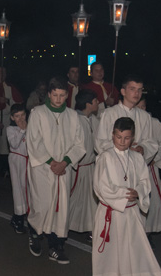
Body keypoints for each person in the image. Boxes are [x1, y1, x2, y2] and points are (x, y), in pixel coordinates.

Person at [92, 117, 161, 276]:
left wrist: (138, 191)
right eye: (118, 137)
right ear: (112, 135)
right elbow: (101, 187)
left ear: (133, 138)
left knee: (137, 247)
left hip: (131, 211)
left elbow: (144, 181)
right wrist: (125, 193)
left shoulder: (137, 158)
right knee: (111, 248)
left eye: (126, 138)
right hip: (112, 209)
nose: (122, 141)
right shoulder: (105, 157)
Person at [26, 79, 86, 263]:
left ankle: (56, 246)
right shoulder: (38, 113)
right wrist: (53, 163)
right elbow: (34, 141)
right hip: (43, 168)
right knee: (42, 205)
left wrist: (65, 162)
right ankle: (34, 235)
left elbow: (79, 144)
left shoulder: (73, 116)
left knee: (61, 208)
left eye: (62, 95)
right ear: (49, 94)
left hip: (63, 169)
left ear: (67, 95)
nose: (58, 99)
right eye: (55, 95)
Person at [94, 75, 157, 165]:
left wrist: (143, 148)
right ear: (123, 91)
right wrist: (124, 148)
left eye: (139, 90)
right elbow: (100, 142)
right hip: (114, 164)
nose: (137, 93)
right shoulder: (109, 113)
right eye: (132, 89)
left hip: (135, 164)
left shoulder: (145, 116)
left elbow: (150, 142)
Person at [136, 96, 161, 237]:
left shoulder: (154, 123)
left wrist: (154, 158)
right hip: (130, 172)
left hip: (149, 170)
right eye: (138, 107)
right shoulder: (127, 122)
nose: (141, 109)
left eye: (143, 106)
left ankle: (147, 233)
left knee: (151, 202)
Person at [67, 90, 99, 240]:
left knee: (90, 201)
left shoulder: (93, 119)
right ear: (88, 103)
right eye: (95, 101)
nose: (98, 103)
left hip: (91, 166)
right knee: (75, 199)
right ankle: (64, 225)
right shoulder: (76, 121)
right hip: (78, 167)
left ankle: (90, 228)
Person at [0, 66, 23, 176]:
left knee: (4, 145)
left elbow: (18, 104)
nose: (3, 74)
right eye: (0, 72)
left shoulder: (9, 87)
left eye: (4, 72)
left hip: (6, 118)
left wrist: (7, 100)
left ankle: (4, 169)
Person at [6, 103, 29, 234]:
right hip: (17, 160)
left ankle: (19, 217)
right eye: (17, 116)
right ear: (12, 117)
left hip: (27, 160)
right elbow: (14, 144)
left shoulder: (29, 126)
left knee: (27, 188)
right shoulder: (11, 129)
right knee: (18, 189)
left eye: (22, 115)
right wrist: (22, 130)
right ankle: (18, 219)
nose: (20, 119)